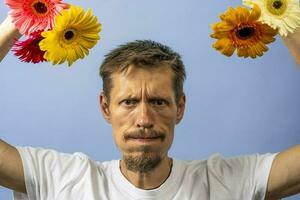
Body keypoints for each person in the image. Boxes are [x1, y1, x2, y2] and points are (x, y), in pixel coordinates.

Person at [0, 15, 300, 200]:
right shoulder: (63, 178)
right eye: (129, 102)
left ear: (179, 107)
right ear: (106, 108)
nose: (144, 119)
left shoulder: (226, 182)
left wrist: (284, 18)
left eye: (158, 101)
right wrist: (17, 23)